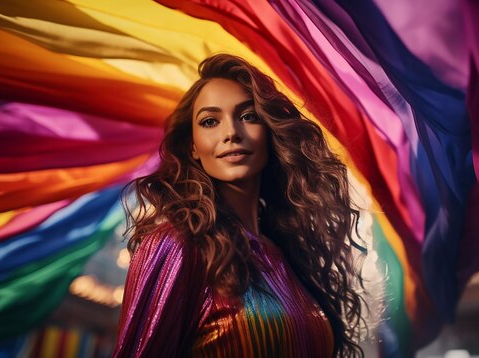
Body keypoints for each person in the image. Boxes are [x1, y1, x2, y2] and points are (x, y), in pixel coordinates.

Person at [114, 54, 367, 357]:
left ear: (270, 132)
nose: (231, 133)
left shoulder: (288, 255)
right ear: (193, 146)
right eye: (210, 122)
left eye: (248, 116)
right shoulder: (178, 246)